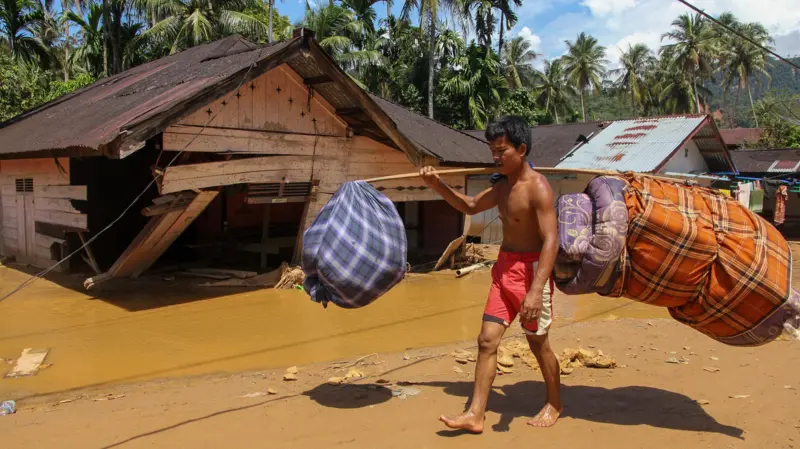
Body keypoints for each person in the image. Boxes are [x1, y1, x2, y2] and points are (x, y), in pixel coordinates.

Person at [419, 115, 561, 432]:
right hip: (503, 270)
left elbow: (552, 240)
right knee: (486, 341)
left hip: (532, 273)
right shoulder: (500, 186)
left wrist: (537, 290)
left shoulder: (538, 188)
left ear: (521, 149)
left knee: (539, 345)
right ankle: (476, 414)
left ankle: (554, 402)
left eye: (501, 151)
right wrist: (437, 184)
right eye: (492, 151)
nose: (494, 158)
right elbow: (470, 206)